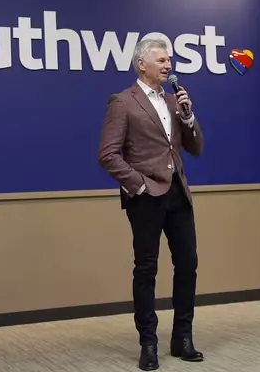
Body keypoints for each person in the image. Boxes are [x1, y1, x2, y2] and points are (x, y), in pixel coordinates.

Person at [97, 38, 204, 371]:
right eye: (161, 60)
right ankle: (149, 343)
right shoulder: (122, 102)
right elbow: (108, 154)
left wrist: (188, 117)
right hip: (145, 197)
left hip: (178, 194)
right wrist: (138, 184)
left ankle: (182, 338)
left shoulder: (175, 101)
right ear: (141, 64)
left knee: (188, 264)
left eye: (169, 60)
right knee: (146, 270)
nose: (168, 65)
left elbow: (196, 147)